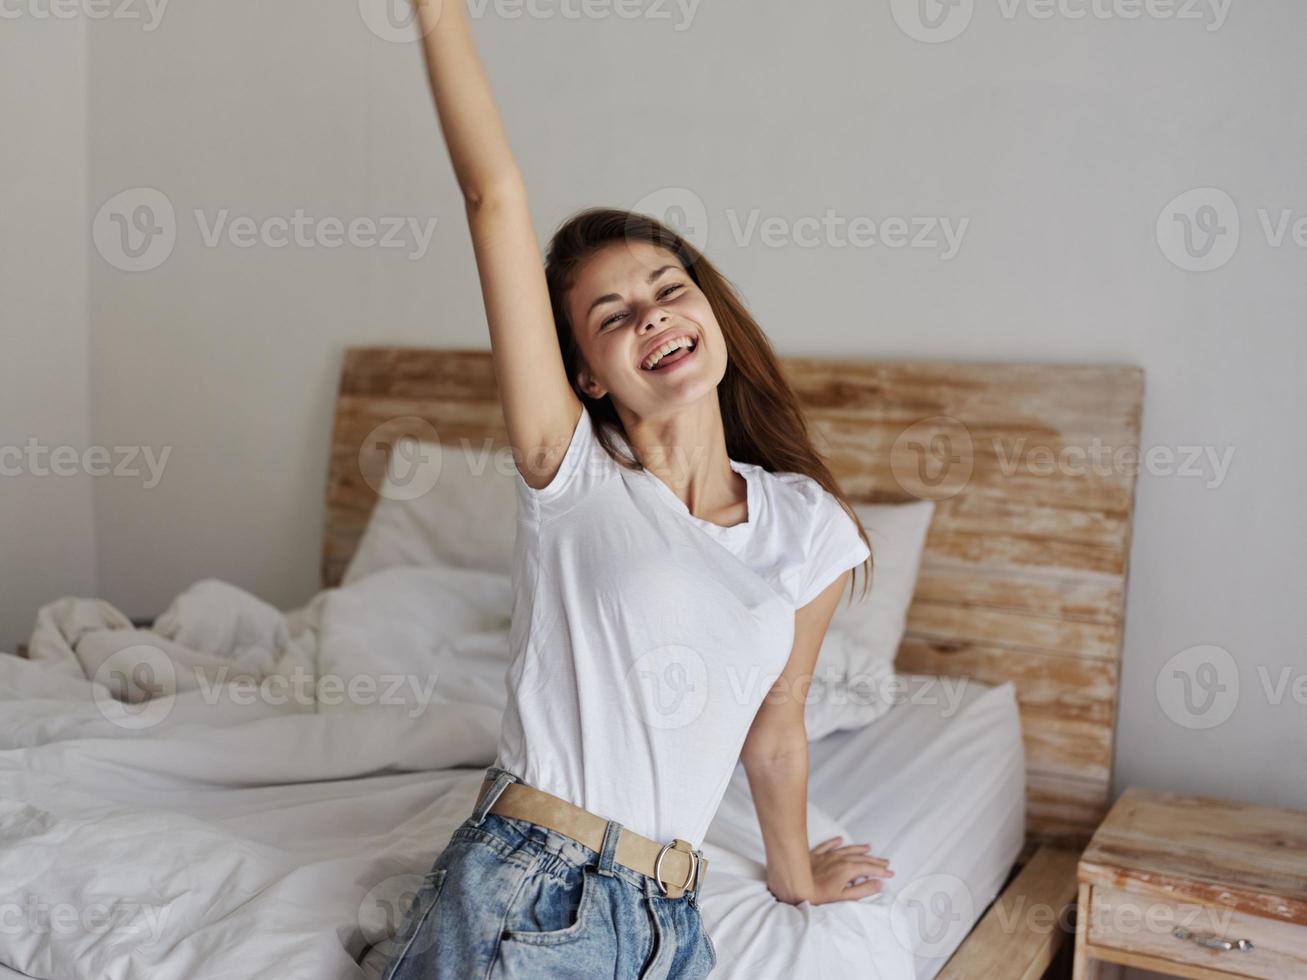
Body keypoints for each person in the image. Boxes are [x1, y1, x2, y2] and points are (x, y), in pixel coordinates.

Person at [383, 2, 894, 977]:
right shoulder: (569, 473)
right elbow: (491, 194)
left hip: (670, 913)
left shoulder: (806, 525)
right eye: (611, 314)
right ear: (584, 373)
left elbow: (774, 733)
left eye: (667, 286)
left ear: (705, 308)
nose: (652, 314)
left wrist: (794, 875)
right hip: (526, 885)